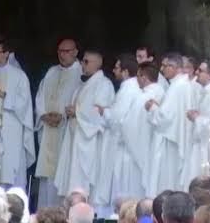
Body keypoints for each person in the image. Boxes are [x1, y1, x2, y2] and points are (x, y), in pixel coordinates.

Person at [53, 51, 115, 201]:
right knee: (73, 177)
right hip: (76, 138)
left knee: (85, 182)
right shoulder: (84, 84)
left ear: (97, 64)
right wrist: (72, 111)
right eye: (83, 61)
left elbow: (101, 112)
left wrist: (77, 111)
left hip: (90, 142)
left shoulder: (104, 85)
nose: (82, 64)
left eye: (87, 62)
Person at [0, 39, 36, 189]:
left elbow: (25, 103)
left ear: (7, 53)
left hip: (12, 128)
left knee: (11, 164)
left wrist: (3, 95)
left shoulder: (19, 76)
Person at [99, 59, 157, 205]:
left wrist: (104, 112)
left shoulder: (130, 90)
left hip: (129, 149)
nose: (114, 70)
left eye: (117, 68)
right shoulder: (143, 91)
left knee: (126, 188)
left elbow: (120, 121)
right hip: (139, 147)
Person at [35, 39, 84, 206]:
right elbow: (40, 96)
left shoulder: (80, 73)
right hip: (48, 129)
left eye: (67, 51)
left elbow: (80, 100)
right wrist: (43, 115)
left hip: (65, 131)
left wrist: (63, 117)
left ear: (76, 52)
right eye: (60, 51)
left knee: (64, 173)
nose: (63, 55)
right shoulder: (51, 71)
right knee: (48, 178)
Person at [145, 53, 202, 195]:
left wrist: (152, 108)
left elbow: (165, 117)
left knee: (168, 178)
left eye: (165, 66)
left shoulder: (177, 86)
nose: (162, 69)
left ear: (174, 67)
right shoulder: (183, 84)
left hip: (172, 142)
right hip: (179, 138)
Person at [183, 59, 210, 186]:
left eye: (200, 71)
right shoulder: (208, 91)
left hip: (207, 148)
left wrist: (196, 118)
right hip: (200, 145)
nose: (196, 72)